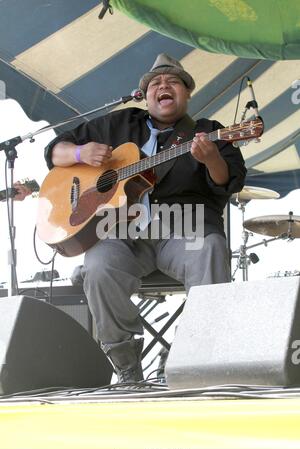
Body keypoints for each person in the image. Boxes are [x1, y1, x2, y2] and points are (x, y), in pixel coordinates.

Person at [44, 53, 246, 383]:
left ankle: (200, 358)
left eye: (173, 82)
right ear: (146, 96)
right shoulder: (118, 124)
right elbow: (54, 151)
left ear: (187, 93)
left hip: (183, 228)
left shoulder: (209, 132)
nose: (163, 86)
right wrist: (80, 154)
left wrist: (211, 160)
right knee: (96, 267)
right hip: (120, 230)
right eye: (155, 83)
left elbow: (228, 181)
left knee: (210, 247)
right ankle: (127, 370)